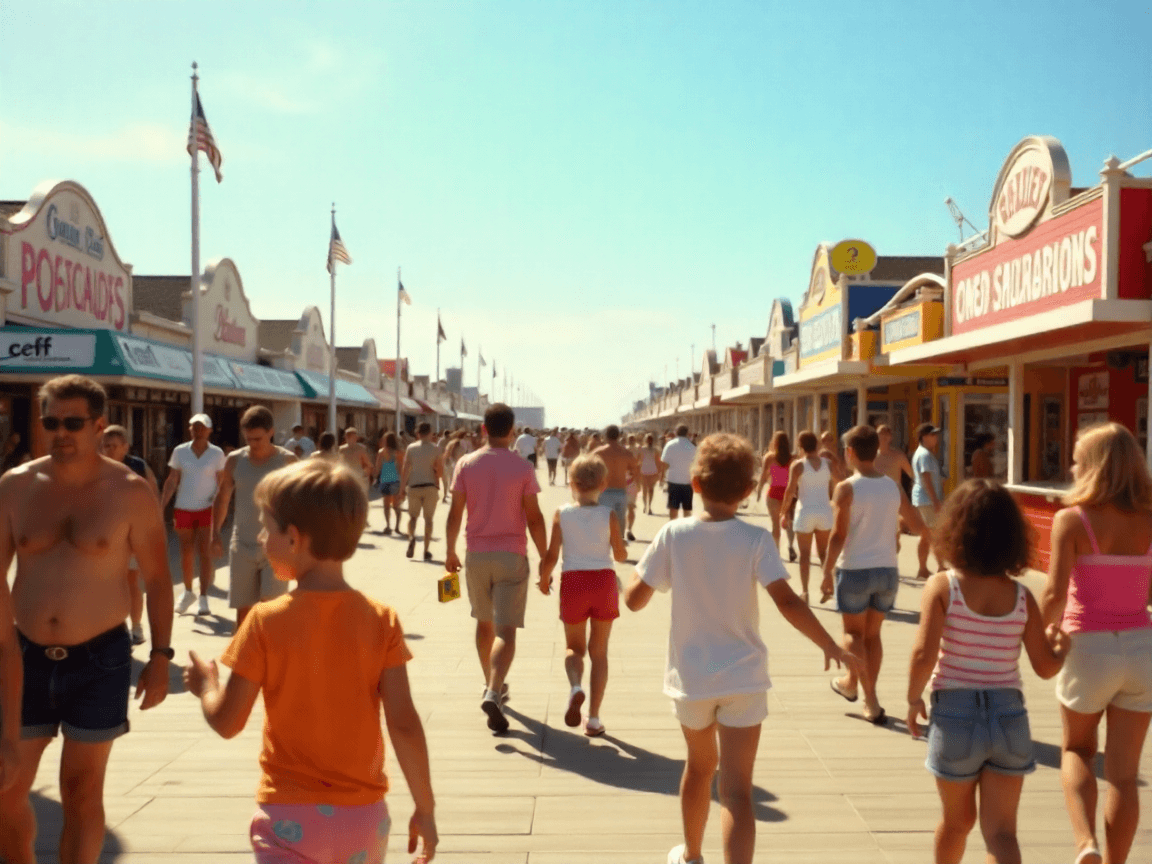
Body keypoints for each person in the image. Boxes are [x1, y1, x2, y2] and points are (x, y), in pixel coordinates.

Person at [183, 459, 437, 864]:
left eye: (267, 527)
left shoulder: (264, 621)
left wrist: (207, 685)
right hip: (364, 818)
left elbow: (228, 722)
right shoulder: (381, 619)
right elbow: (404, 723)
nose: (262, 537)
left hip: (289, 817)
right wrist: (425, 809)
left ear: (294, 539)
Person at [623, 433, 860, 864]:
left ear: (695, 484)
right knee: (736, 790)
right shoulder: (755, 540)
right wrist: (829, 644)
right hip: (744, 678)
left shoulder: (673, 534)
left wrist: (631, 574)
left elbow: (635, 600)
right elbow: (787, 601)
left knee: (698, 768)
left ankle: (692, 854)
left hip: (691, 680)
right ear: (749, 490)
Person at [0, 375, 174, 864]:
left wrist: (160, 656)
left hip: (100, 658)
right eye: (50, 421)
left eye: (72, 423)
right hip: (25, 655)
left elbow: (159, 579)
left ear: (99, 425)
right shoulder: (14, 488)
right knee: (7, 790)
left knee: (80, 791)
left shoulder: (130, 492)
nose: (59, 433)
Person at [909, 480, 1068, 864]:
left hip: (955, 717)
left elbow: (922, 655)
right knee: (1001, 833)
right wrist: (1060, 649)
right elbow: (1045, 668)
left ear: (954, 530)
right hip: (1009, 718)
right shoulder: (1021, 597)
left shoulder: (943, 587)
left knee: (955, 823)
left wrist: (913, 697)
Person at [1040, 423, 1152, 864]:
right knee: (1124, 775)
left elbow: (1052, 593)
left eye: (1077, 458)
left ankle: (1084, 842)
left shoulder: (1072, 519)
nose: (1070, 466)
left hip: (1087, 646)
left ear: (1094, 465)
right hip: (1142, 649)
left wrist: (1041, 641)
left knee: (1077, 749)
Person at [445, 403, 548, 734]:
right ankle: (495, 687)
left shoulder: (466, 463)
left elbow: (455, 513)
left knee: (483, 622)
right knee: (506, 631)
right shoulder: (521, 467)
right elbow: (534, 516)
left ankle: (491, 685)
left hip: (476, 554)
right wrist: (546, 557)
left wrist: (449, 550)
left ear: (483, 429)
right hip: (511, 555)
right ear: (512, 430)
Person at [822, 426, 926, 725]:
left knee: (853, 635)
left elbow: (838, 535)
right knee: (873, 636)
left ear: (850, 453)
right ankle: (853, 684)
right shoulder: (892, 486)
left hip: (854, 568)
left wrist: (827, 571)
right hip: (887, 570)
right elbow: (915, 523)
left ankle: (869, 699)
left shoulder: (846, 488)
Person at [539, 453, 628, 736]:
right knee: (599, 651)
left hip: (573, 582)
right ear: (603, 484)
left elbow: (552, 554)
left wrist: (543, 579)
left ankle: (576, 686)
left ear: (571, 484)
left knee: (574, 648)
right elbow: (621, 555)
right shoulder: (608, 515)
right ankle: (594, 719)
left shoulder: (561, 514)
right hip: (603, 581)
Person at [210, 406, 296, 631]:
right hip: (242, 545)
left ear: (271, 432)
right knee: (244, 611)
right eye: (248, 439)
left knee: (272, 609)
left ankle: (271, 662)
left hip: (277, 547)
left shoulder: (288, 461)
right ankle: (243, 661)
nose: (253, 444)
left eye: (258, 438)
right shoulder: (235, 460)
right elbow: (223, 497)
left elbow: (302, 503)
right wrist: (215, 533)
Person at [161, 413, 227, 617]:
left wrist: (217, 501)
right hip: (183, 507)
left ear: (209, 430)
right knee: (186, 553)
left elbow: (222, 482)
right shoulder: (180, 451)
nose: (197, 431)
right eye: (193, 427)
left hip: (207, 509)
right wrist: (160, 505)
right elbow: (172, 480)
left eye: (201, 427)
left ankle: (204, 596)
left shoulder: (216, 454)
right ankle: (188, 592)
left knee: (205, 553)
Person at [101, 425, 160, 645]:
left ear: (125, 447)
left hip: (134, 533)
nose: (108, 450)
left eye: (114, 446)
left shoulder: (138, 466)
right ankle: (114, 626)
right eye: (105, 446)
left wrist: (151, 531)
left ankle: (136, 627)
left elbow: (153, 496)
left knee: (133, 582)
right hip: (105, 536)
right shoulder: (96, 467)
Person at [780, 431, 833, 605]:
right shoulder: (828, 464)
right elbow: (842, 482)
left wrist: (783, 512)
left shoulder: (798, 466)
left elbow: (789, 492)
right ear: (817, 445)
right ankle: (827, 587)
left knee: (804, 555)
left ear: (800, 446)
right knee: (824, 554)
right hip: (825, 512)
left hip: (805, 513)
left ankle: (805, 592)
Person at [401, 422, 444, 561]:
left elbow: (405, 469)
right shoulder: (435, 449)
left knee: (413, 517)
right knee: (428, 520)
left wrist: (402, 488)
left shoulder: (411, 448)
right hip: (430, 486)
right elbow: (440, 471)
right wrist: (437, 479)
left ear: (417, 434)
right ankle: (426, 550)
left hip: (414, 486)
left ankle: (412, 537)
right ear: (431, 433)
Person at [593, 425, 642, 544]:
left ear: (605, 436)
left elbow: (589, 470)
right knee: (620, 521)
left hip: (603, 491)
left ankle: (603, 547)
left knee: (603, 521)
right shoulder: (625, 453)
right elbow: (635, 470)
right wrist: (636, 483)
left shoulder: (599, 452)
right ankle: (618, 545)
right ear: (619, 436)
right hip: (621, 490)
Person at [755, 431, 796, 563]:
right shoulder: (793, 458)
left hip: (773, 493)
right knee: (789, 521)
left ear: (775, 442)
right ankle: (790, 546)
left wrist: (759, 490)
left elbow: (763, 476)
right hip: (788, 493)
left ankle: (777, 551)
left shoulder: (769, 457)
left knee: (775, 524)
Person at [912, 423, 946, 581]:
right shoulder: (924, 455)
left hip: (924, 499)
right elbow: (926, 479)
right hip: (927, 500)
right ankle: (940, 566)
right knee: (934, 534)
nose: (936, 438)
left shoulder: (926, 454)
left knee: (926, 535)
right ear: (923, 437)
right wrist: (935, 501)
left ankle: (923, 569)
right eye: (932, 435)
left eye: (936, 434)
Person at [660, 424, 697, 520]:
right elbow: (696, 465)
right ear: (687, 433)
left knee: (673, 509)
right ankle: (686, 531)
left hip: (673, 481)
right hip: (688, 482)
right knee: (687, 509)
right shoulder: (692, 447)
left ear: (676, 432)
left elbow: (664, 464)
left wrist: (661, 479)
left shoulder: (670, 445)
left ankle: (673, 529)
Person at [373, 432, 405, 535]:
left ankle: (391, 526)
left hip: (389, 480)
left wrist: (374, 477)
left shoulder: (384, 452)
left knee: (390, 505)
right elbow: (400, 468)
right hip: (392, 480)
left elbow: (378, 467)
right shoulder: (397, 452)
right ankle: (393, 526)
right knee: (393, 505)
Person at [339, 427, 374, 491]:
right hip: (358, 477)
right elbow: (369, 465)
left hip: (346, 477)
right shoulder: (361, 449)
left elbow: (338, 464)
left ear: (346, 437)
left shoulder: (341, 449)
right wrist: (366, 475)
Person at [638, 432, 661, 515]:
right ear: (645, 440)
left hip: (653, 471)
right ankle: (645, 505)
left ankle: (650, 506)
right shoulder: (642, 449)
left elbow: (658, 461)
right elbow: (639, 460)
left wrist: (659, 473)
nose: (649, 441)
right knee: (644, 490)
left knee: (651, 490)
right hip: (643, 471)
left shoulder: (656, 449)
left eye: (651, 439)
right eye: (648, 439)